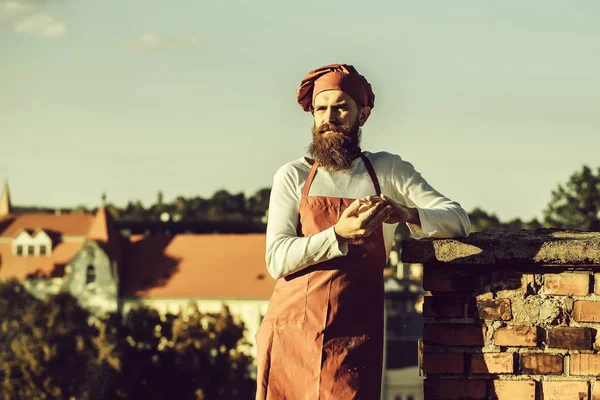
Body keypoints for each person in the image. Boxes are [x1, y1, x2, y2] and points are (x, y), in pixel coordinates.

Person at [255, 63, 470, 400]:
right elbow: (277, 259)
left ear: (363, 115)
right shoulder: (293, 175)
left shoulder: (387, 170)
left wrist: (406, 213)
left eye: (341, 107)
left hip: (354, 332)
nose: (330, 117)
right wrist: (338, 234)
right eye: (321, 109)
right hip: (291, 332)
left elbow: (458, 220)